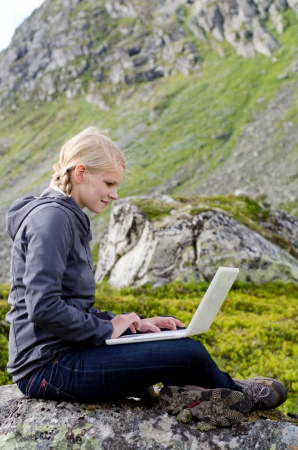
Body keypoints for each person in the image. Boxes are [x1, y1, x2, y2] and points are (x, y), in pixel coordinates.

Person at [6, 127, 287, 427]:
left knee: (163, 335)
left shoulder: (68, 217)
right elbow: (43, 307)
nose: (115, 194)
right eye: (109, 183)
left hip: (68, 352)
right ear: (80, 173)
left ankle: (189, 393)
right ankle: (234, 391)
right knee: (189, 353)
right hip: (48, 368)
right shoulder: (52, 219)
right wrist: (106, 330)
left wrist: (131, 323)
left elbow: (71, 306)